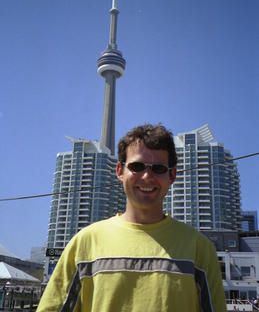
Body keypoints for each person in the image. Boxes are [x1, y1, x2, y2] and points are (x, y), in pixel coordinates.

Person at [37, 124, 227, 311]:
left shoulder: (199, 249)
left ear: (172, 175)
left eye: (158, 169)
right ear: (120, 171)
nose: (146, 176)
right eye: (137, 166)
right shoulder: (84, 243)